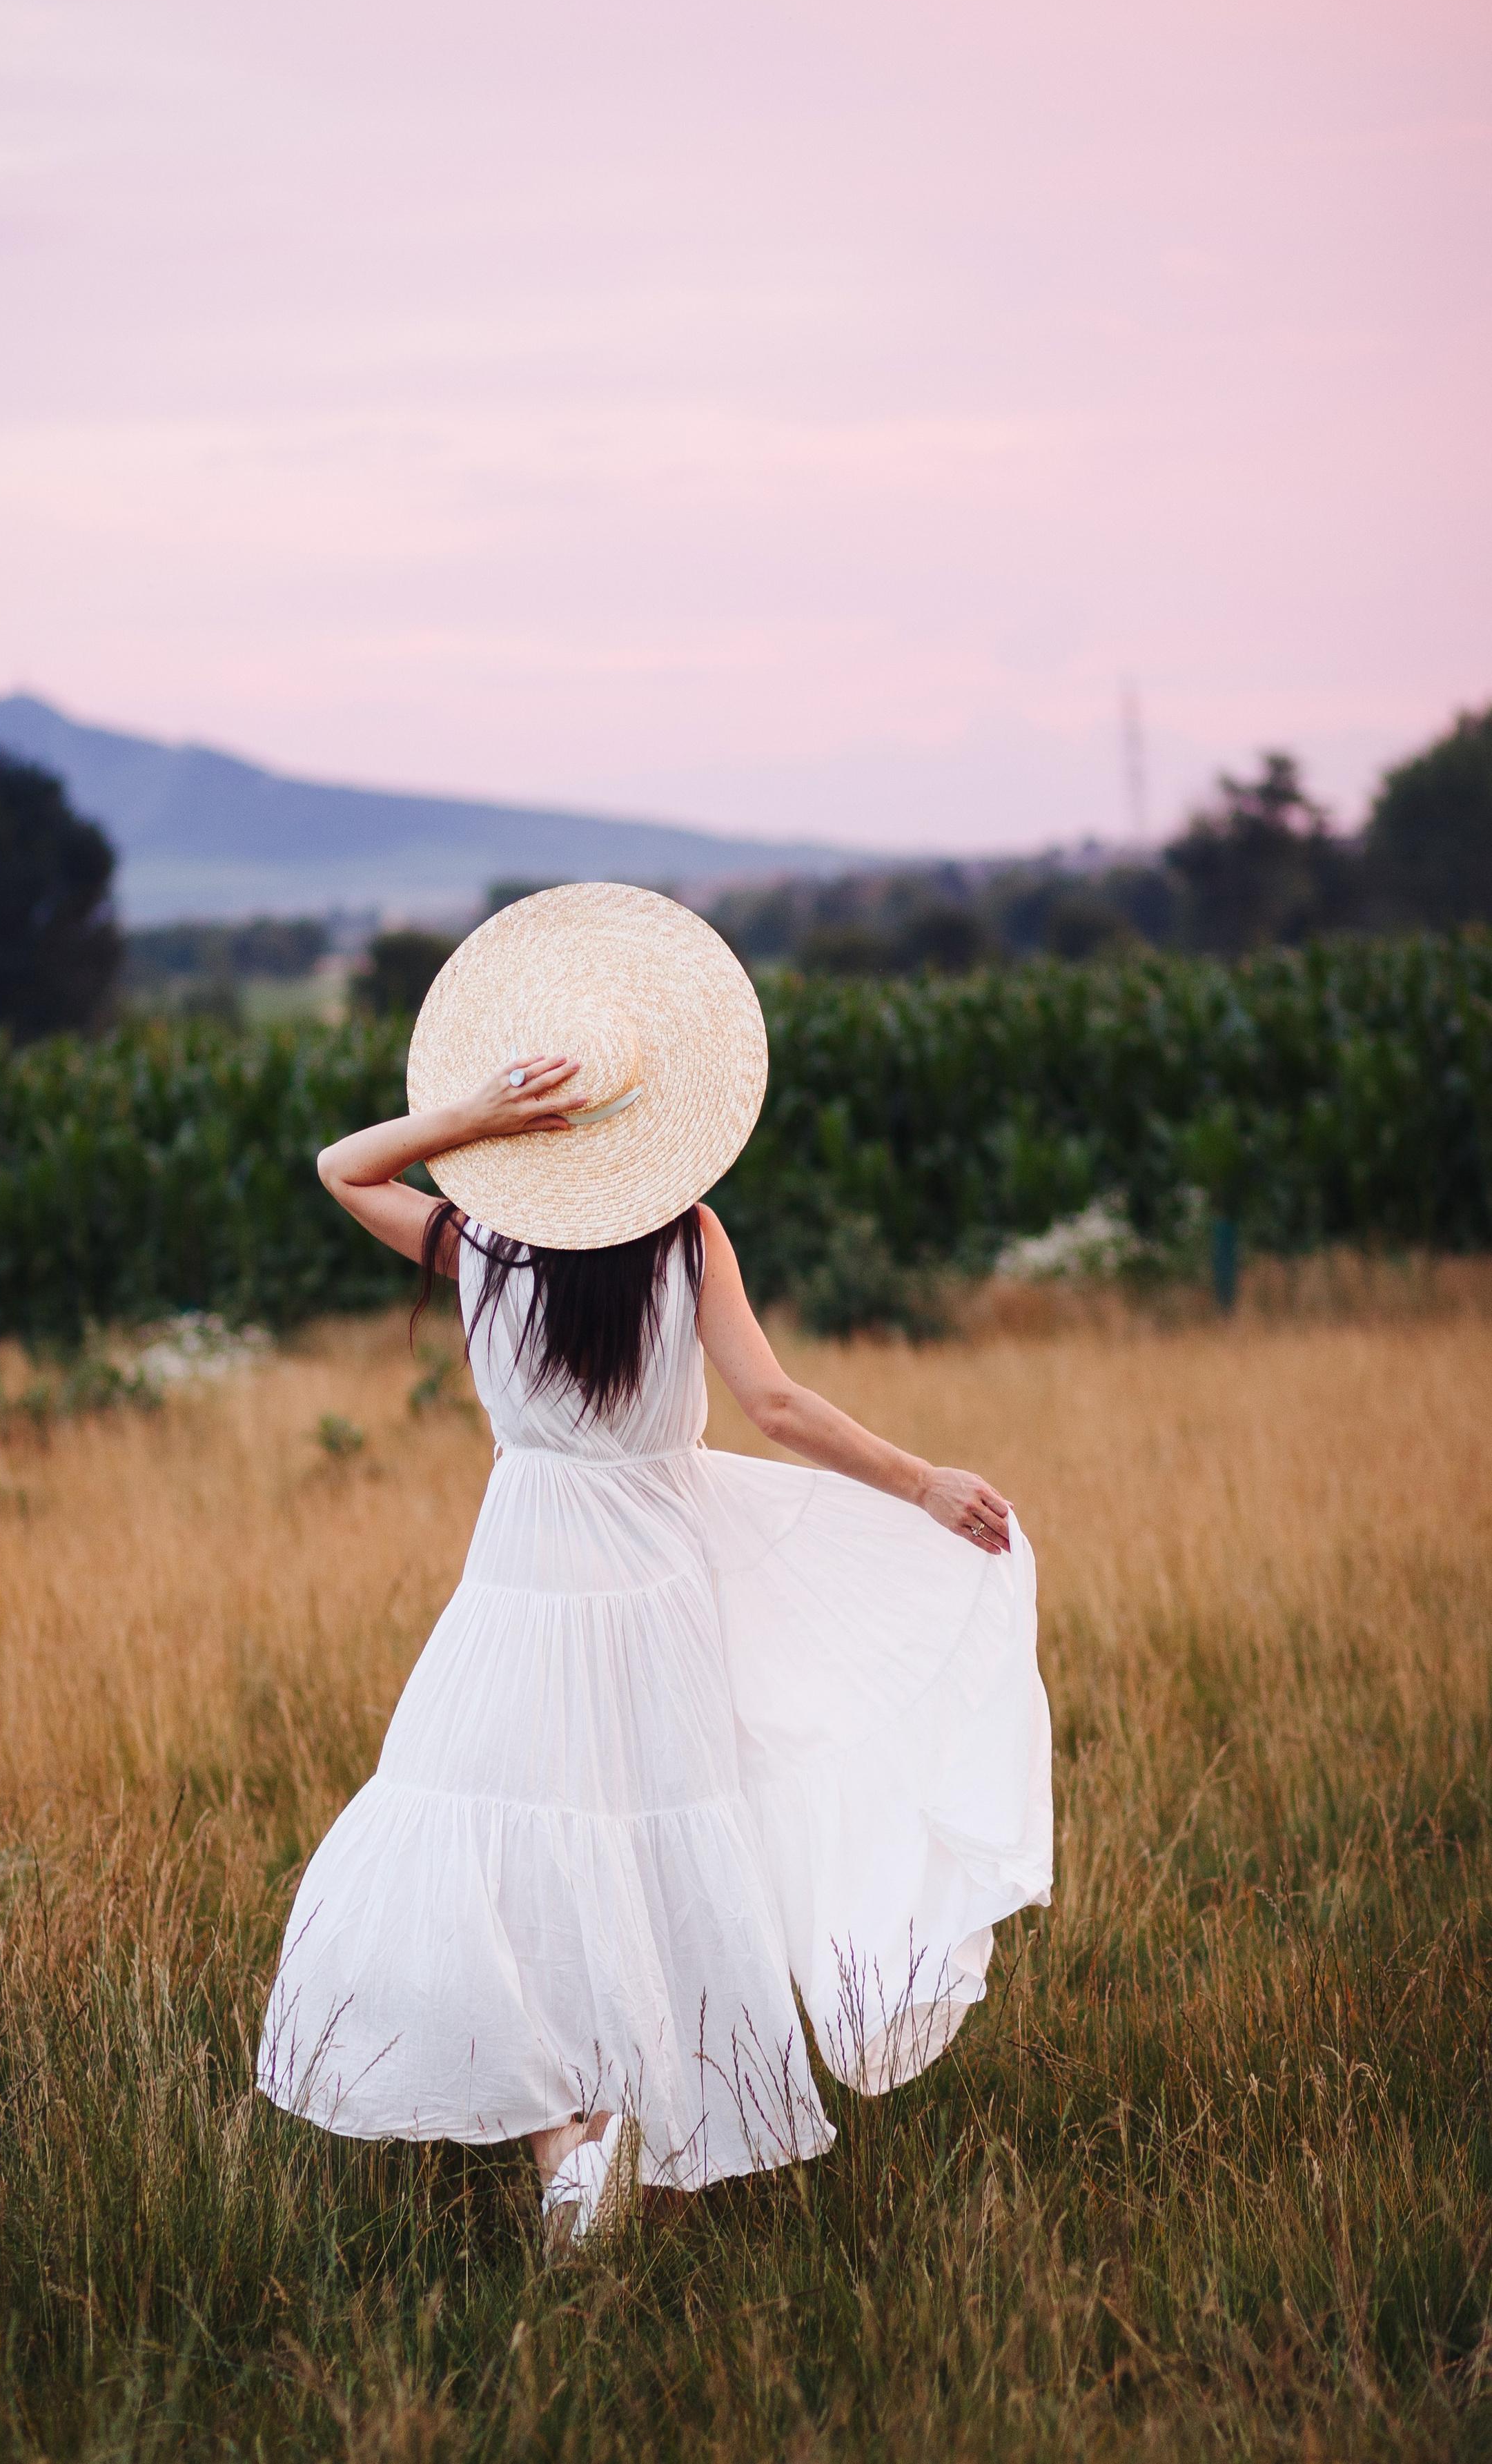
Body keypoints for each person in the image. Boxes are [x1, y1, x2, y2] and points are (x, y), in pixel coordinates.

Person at [257, 885, 1052, 2253]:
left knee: (504, 1832)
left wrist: (473, 1120)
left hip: (521, 1568)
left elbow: (342, 1163)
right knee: (654, 1835)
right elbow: (779, 1407)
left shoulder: (476, 1242)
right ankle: (624, 2120)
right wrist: (920, 1482)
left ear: (529, 1127)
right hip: (658, 1567)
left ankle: (569, 2134)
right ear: (643, 1119)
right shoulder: (684, 1237)